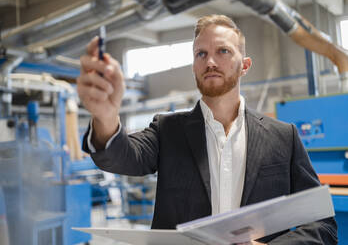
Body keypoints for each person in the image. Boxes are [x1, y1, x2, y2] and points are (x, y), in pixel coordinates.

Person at [77, 14, 337, 244]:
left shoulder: (283, 137)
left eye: (223, 51)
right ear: (194, 67)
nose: (210, 61)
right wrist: (106, 116)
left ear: (244, 65)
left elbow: (322, 224)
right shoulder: (168, 130)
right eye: (201, 54)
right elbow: (124, 156)